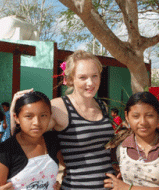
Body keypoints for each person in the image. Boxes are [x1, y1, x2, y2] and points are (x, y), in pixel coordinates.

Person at [11, 50, 115, 190]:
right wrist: (14, 111)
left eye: (94, 76)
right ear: (71, 79)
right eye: (83, 77)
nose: (90, 83)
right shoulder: (58, 107)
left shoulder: (103, 107)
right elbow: (24, 136)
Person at [104, 91, 159, 190]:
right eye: (136, 116)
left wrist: (128, 188)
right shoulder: (120, 148)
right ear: (126, 116)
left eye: (149, 115)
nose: (143, 122)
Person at [0, 91, 60, 190]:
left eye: (43, 115)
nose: (37, 122)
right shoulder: (2, 153)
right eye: (29, 116)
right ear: (16, 118)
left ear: (50, 115)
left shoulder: (53, 141)